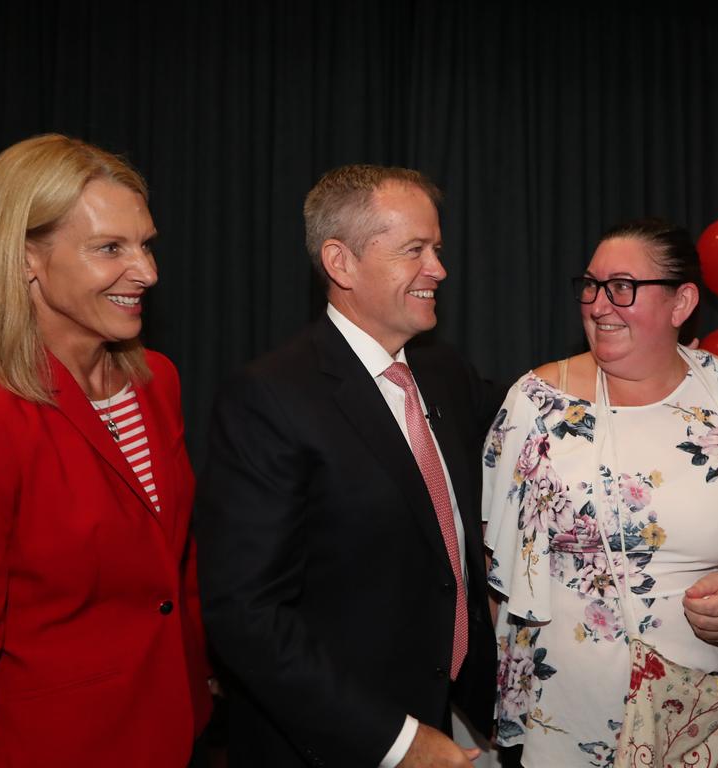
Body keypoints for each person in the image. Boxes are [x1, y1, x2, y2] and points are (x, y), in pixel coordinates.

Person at [196, 164, 497, 767]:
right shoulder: (271, 397)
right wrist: (397, 742)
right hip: (338, 744)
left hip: (453, 717)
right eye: (415, 250)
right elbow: (247, 615)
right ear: (341, 262)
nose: (438, 269)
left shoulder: (445, 374)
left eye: (436, 248)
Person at [483, 219, 718, 766]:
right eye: (591, 286)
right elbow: (498, 571)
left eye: (623, 287)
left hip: (714, 713)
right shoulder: (535, 405)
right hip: (569, 719)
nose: (600, 305)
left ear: (681, 303)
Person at [0, 134, 212, 766]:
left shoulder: (156, 380)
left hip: (171, 726)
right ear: (27, 256)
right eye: (109, 248)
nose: (146, 272)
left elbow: (171, 566)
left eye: (145, 244)